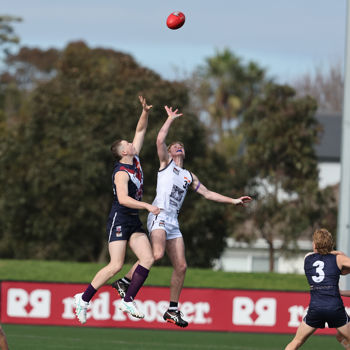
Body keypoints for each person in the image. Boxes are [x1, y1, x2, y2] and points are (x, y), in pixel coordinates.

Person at [111, 105, 252, 327]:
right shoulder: (165, 165)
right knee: (156, 254)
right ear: (169, 151)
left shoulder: (188, 176)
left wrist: (233, 200)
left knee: (182, 266)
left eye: (181, 146)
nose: (178, 147)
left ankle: (172, 310)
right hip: (158, 215)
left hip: (173, 222)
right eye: (175, 145)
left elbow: (207, 193)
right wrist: (169, 119)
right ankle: (126, 282)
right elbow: (159, 140)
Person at [74, 96, 160, 324]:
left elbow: (140, 131)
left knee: (148, 258)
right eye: (127, 144)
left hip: (133, 220)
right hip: (120, 218)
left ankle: (127, 299)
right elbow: (123, 199)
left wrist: (145, 112)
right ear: (123, 152)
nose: (132, 144)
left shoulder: (136, 159)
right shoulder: (122, 172)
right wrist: (146, 205)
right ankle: (83, 299)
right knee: (116, 265)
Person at [285, 228, 350, 350]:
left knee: (296, 342)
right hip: (334, 307)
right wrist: (338, 253)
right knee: (344, 338)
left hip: (316, 308)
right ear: (331, 244)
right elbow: (342, 266)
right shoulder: (338, 259)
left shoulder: (307, 258)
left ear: (315, 245)